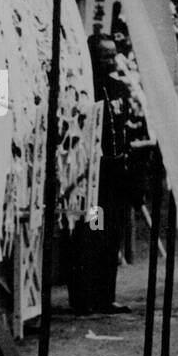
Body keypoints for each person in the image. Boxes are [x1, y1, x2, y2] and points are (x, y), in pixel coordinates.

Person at [67, 35, 132, 315]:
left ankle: (106, 296)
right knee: (92, 232)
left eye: (113, 55)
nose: (111, 61)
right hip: (93, 177)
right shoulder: (83, 89)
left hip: (116, 174)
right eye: (105, 56)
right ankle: (84, 297)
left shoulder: (119, 88)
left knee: (111, 235)